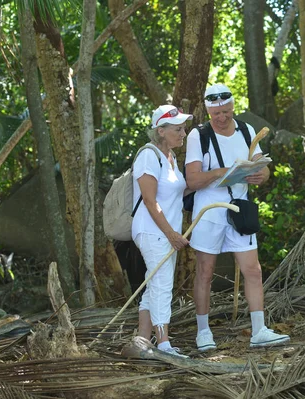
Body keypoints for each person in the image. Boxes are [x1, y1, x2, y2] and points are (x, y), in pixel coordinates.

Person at [185, 83, 290, 351]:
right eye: (216, 114)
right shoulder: (199, 135)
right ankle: (203, 332)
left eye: (226, 112)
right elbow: (193, 179)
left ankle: (259, 330)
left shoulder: (246, 129)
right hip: (209, 210)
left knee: (252, 270)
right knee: (206, 271)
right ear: (208, 112)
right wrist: (221, 172)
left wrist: (261, 175)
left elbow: (262, 167)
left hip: (240, 209)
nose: (222, 118)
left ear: (233, 107)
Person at [132, 104, 192, 357]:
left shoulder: (171, 158)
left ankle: (142, 343)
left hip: (165, 232)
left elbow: (178, 191)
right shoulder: (149, 155)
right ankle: (164, 344)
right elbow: (149, 199)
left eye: (183, 128)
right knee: (162, 285)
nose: (183, 133)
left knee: (154, 284)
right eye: (178, 129)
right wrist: (171, 233)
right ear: (161, 131)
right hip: (153, 231)